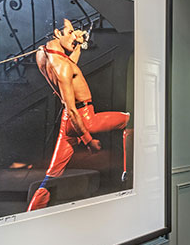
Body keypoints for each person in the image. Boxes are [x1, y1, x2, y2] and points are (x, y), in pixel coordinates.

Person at [27, 19, 130, 211]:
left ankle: (29, 216)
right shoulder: (62, 67)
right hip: (82, 117)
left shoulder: (43, 54)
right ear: (57, 33)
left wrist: (79, 45)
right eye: (71, 31)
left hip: (67, 125)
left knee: (50, 178)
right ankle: (128, 173)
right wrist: (88, 139)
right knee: (129, 121)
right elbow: (71, 107)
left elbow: (69, 68)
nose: (75, 35)